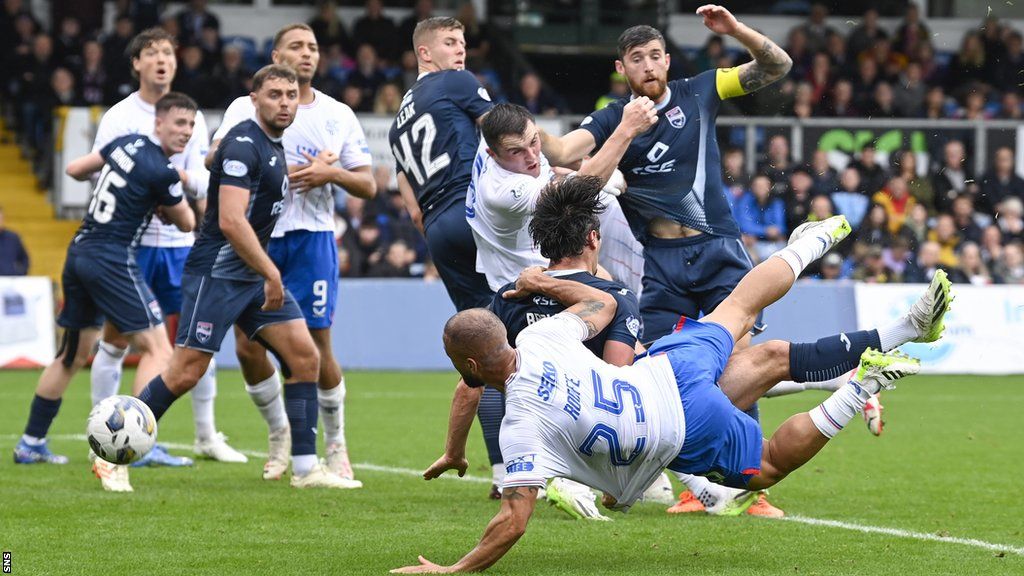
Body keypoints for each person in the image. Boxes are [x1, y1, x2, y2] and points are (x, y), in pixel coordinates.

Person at [393, 183, 939, 573]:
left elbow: (512, 522)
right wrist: (546, 283)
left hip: (675, 426)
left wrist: (453, 571)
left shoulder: (518, 427)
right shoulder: (543, 338)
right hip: (667, 368)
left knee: (767, 466)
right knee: (739, 308)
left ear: (468, 366)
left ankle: (862, 387)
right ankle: (813, 241)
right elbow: (601, 303)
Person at [538, 7, 793, 515]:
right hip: (663, 264)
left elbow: (777, 66)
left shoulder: (700, 91)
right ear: (622, 68)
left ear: (667, 60)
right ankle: (694, 487)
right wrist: (515, 125)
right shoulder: (615, 117)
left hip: (718, 250)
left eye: (655, 56)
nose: (648, 66)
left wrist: (736, 31)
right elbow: (564, 152)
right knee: (655, 370)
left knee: (734, 361)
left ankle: (752, 488)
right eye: (637, 59)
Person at [132, 65, 353, 491]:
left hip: (249, 274)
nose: (285, 102)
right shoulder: (244, 143)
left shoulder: (272, 147)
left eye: (291, 94)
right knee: (185, 372)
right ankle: (114, 442)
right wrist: (271, 272)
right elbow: (232, 221)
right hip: (218, 273)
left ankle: (306, 469)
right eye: (275, 94)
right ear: (255, 99)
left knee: (305, 358)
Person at [463, 101, 658, 508]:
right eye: (518, 152)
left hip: (536, 272)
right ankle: (577, 469)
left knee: (509, 376)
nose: (533, 157)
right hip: (523, 283)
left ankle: (520, 472)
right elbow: (579, 191)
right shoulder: (506, 189)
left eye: (535, 143)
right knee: (592, 363)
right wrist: (625, 130)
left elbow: (559, 172)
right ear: (494, 154)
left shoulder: (502, 153)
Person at [207, 23, 374, 485]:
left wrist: (332, 174)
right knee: (246, 345)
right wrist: (286, 168)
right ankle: (280, 434)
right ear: (276, 54)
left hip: (311, 238)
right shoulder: (246, 106)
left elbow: (369, 183)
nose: (306, 54)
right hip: (256, 238)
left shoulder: (337, 114)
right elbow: (214, 158)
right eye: (296, 46)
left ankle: (336, 445)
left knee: (318, 346)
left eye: (314, 47)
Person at [14, 93, 197, 481]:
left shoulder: (125, 143)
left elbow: (78, 169)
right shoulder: (162, 170)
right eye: (179, 123)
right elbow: (187, 223)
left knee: (72, 354)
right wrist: (168, 195)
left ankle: (30, 443)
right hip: (112, 257)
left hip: (80, 250)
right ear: (158, 122)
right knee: (158, 349)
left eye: (192, 125)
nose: (186, 132)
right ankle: (134, 443)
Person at [88, 28, 245, 472]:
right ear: (136, 63)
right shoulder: (119, 117)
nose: (162, 60)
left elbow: (205, 179)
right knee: (116, 341)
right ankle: (103, 434)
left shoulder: (188, 116)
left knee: (200, 340)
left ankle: (206, 435)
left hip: (181, 244)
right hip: (133, 247)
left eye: (168, 54)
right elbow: (104, 176)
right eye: (152, 53)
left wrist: (170, 184)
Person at [389, 16, 498, 494]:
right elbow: (505, 132)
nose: (461, 51)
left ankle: (502, 472)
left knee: (486, 344)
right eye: (450, 43)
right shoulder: (455, 83)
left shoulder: (397, 122)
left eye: (464, 43)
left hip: (437, 228)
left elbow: (407, 197)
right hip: (473, 214)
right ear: (425, 54)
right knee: (553, 316)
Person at [0, 207, 30, 275]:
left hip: (11, 280)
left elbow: (25, 258)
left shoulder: (13, 238)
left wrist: (21, 272)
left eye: (1, 218)